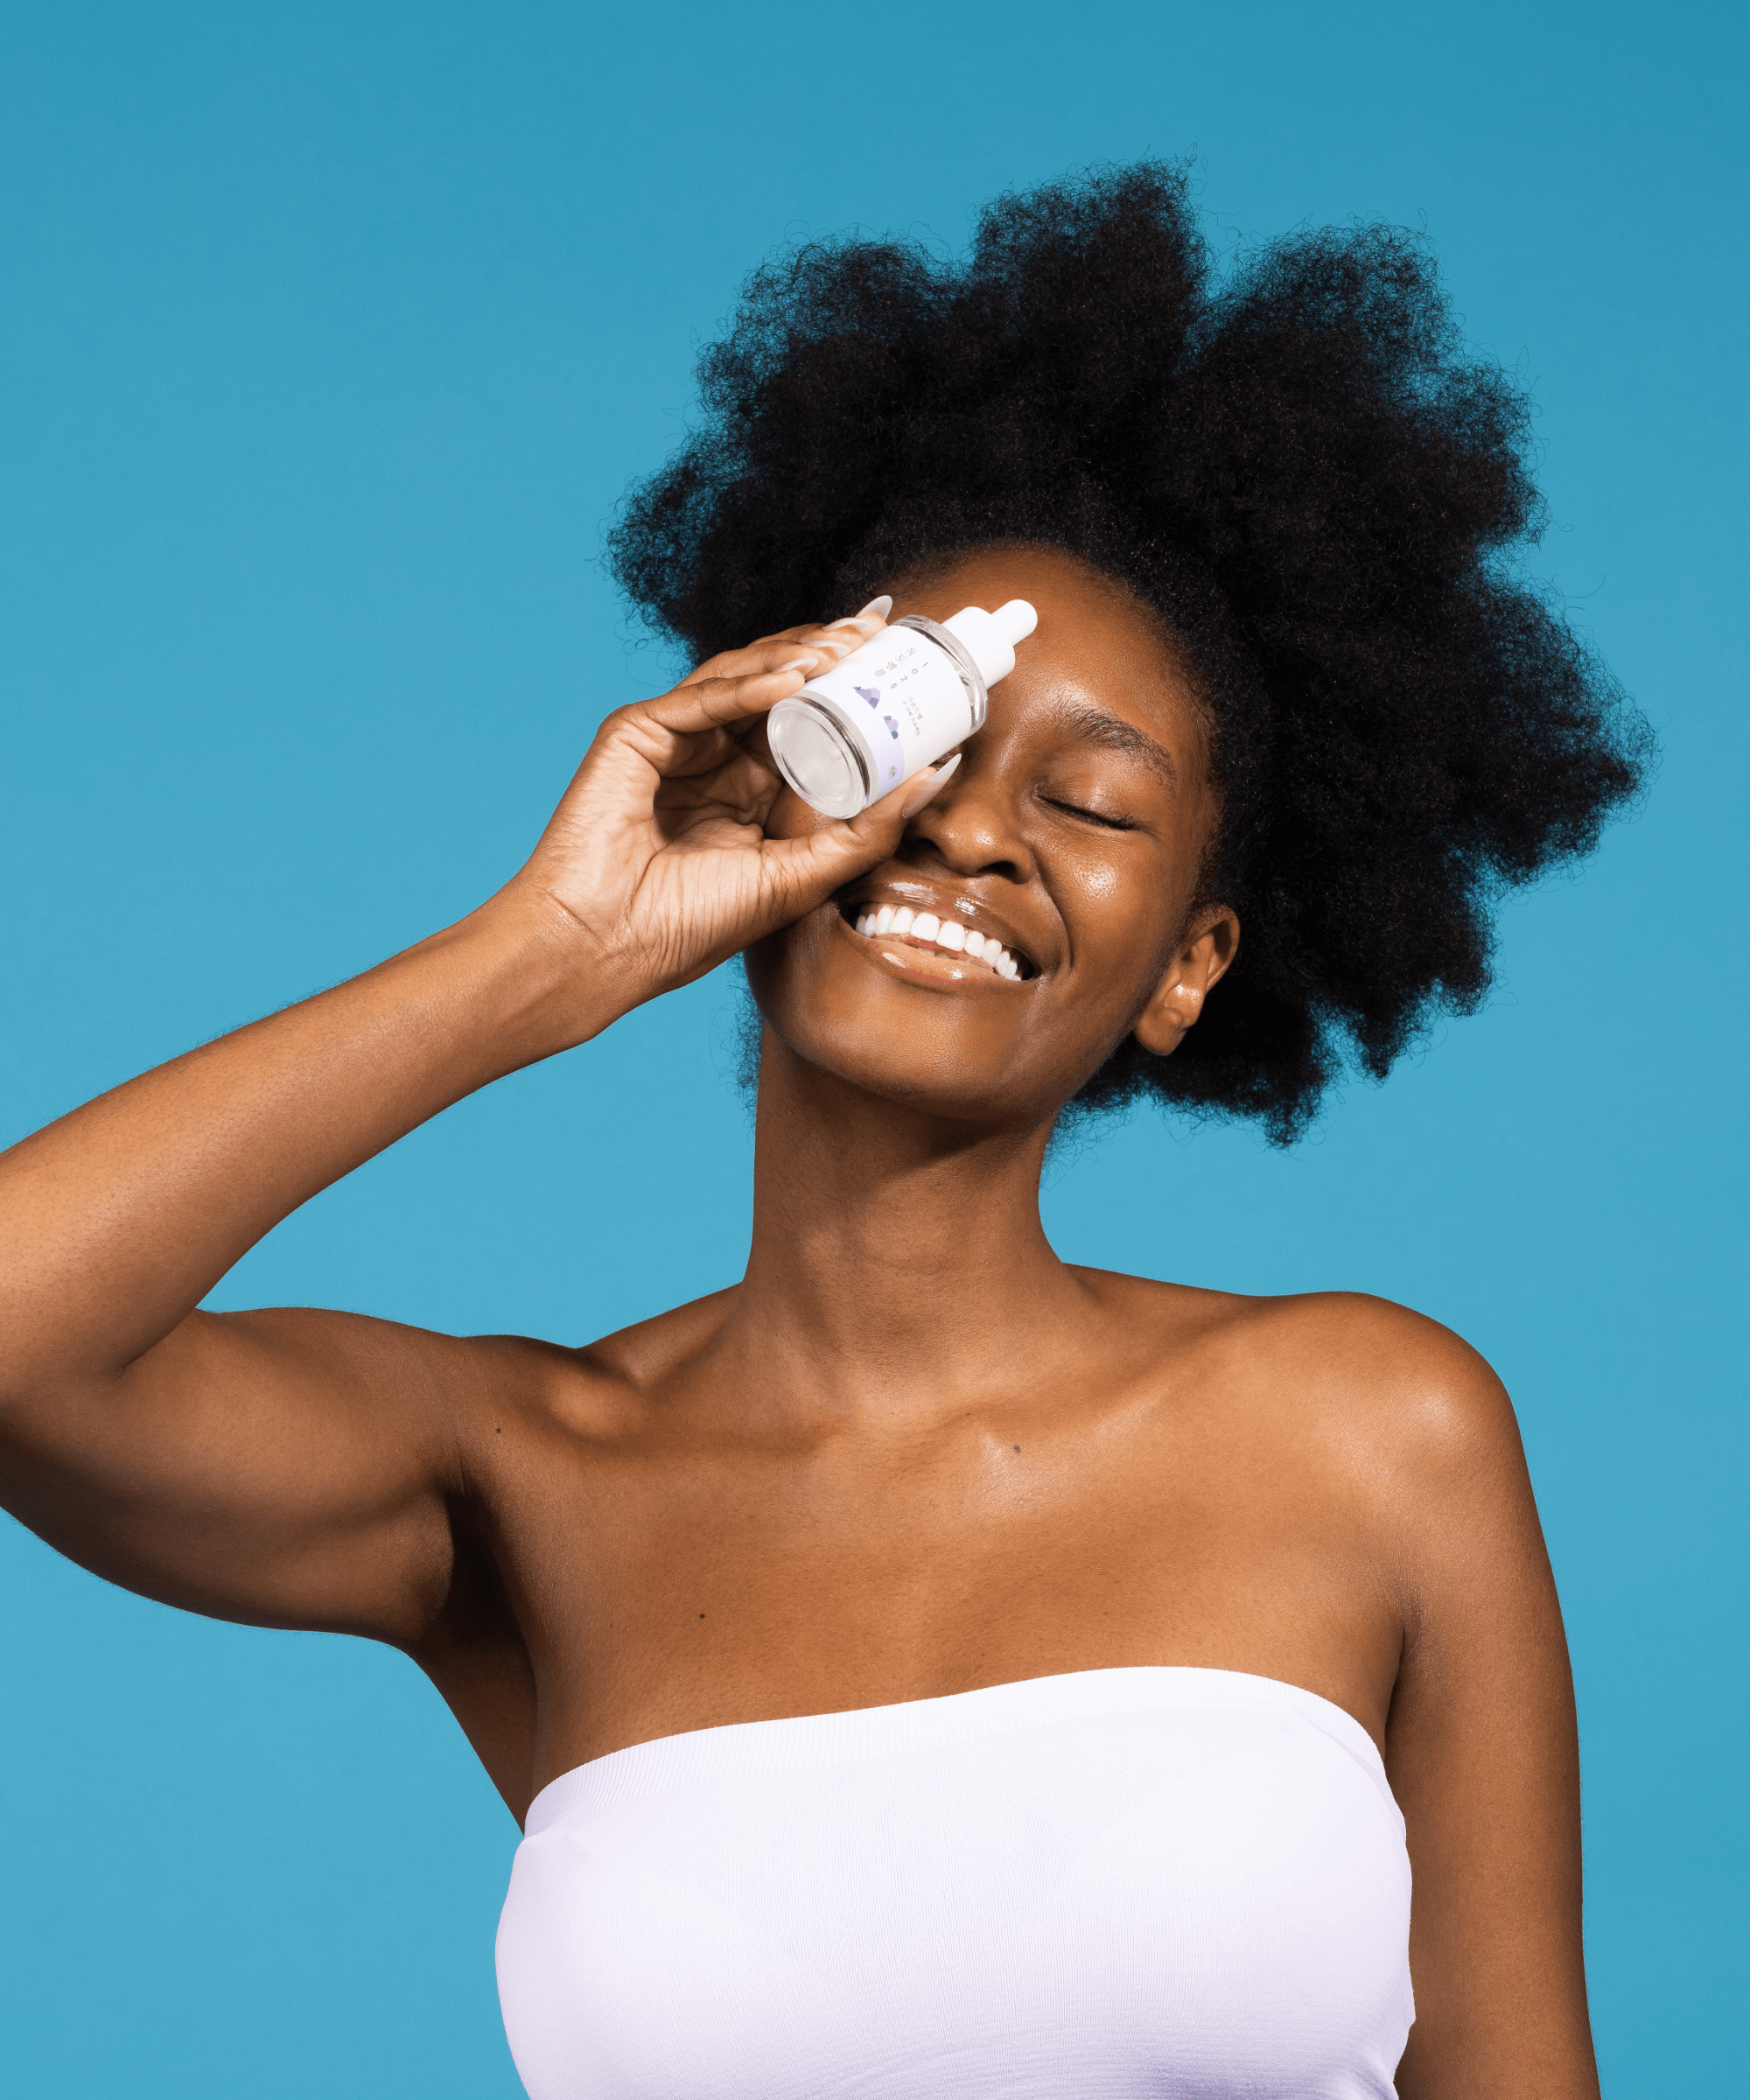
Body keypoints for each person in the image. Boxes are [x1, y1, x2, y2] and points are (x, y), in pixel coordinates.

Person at [0, 162, 1648, 2099]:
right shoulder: (527, 1478)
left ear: (1188, 969)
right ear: (782, 770)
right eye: (914, 735)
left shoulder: (1373, 1427)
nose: (969, 826)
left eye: (1091, 803)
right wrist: (545, 957)